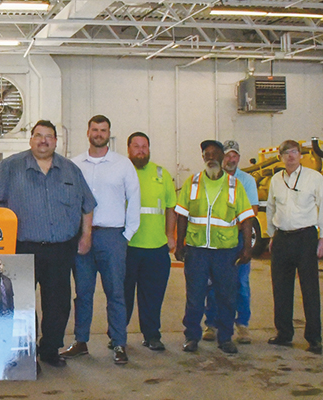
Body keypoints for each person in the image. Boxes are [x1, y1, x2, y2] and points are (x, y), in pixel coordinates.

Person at [0, 120, 95, 368]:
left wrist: (86, 236)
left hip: (61, 249)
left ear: (55, 141)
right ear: (30, 140)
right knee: (22, 305)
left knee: (58, 305)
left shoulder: (71, 170)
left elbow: (87, 206)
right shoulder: (12, 166)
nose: (43, 140)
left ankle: (50, 350)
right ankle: (24, 354)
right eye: (38, 136)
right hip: (23, 248)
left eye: (49, 136)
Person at [63, 115, 140, 365]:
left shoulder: (123, 164)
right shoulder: (74, 165)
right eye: (94, 129)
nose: (98, 133)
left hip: (112, 237)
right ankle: (81, 341)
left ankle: (119, 343)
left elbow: (134, 200)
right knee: (83, 292)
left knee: (115, 292)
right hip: (82, 237)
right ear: (87, 132)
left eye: (103, 130)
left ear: (109, 133)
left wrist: (126, 235)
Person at [175, 140, 255, 355]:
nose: (211, 158)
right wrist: (180, 243)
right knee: (195, 296)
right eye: (206, 154)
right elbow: (182, 214)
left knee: (226, 296)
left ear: (222, 158)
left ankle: (225, 337)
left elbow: (246, 218)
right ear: (203, 158)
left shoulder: (234, 185)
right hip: (197, 250)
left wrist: (247, 247)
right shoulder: (192, 183)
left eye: (215, 154)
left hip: (225, 252)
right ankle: (192, 337)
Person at [267, 140, 323, 354]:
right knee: (281, 288)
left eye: (294, 152)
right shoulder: (276, 179)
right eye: (286, 153)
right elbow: (270, 206)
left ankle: (314, 338)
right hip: (282, 238)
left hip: (305, 237)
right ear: (280, 157)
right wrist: (271, 235)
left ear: (301, 154)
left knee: (310, 289)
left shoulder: (314, 178)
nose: (290, 156)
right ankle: (284, 333)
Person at [124, 132, 177, 352]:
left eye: (144, 146)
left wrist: (171, 235)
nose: (141, 150)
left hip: (156, 247)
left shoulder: (161, 173)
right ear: (128, 149)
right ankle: (118, 336)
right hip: (127, 247)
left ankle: (152, 335)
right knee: (122, 296)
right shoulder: (121, 171)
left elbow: (170, 207)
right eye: (136, 146)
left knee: (153, 297)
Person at [203, 140, 259, 344]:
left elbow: (252, 212)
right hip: (216, 240)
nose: (231, 159)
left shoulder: (247, 181)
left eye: (235, 155)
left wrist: (245, 243)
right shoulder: (212, 178)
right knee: (213, 284)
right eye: (227, 155)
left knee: (241, 283)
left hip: (238, 239)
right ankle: (211, 325)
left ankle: (242, 325)